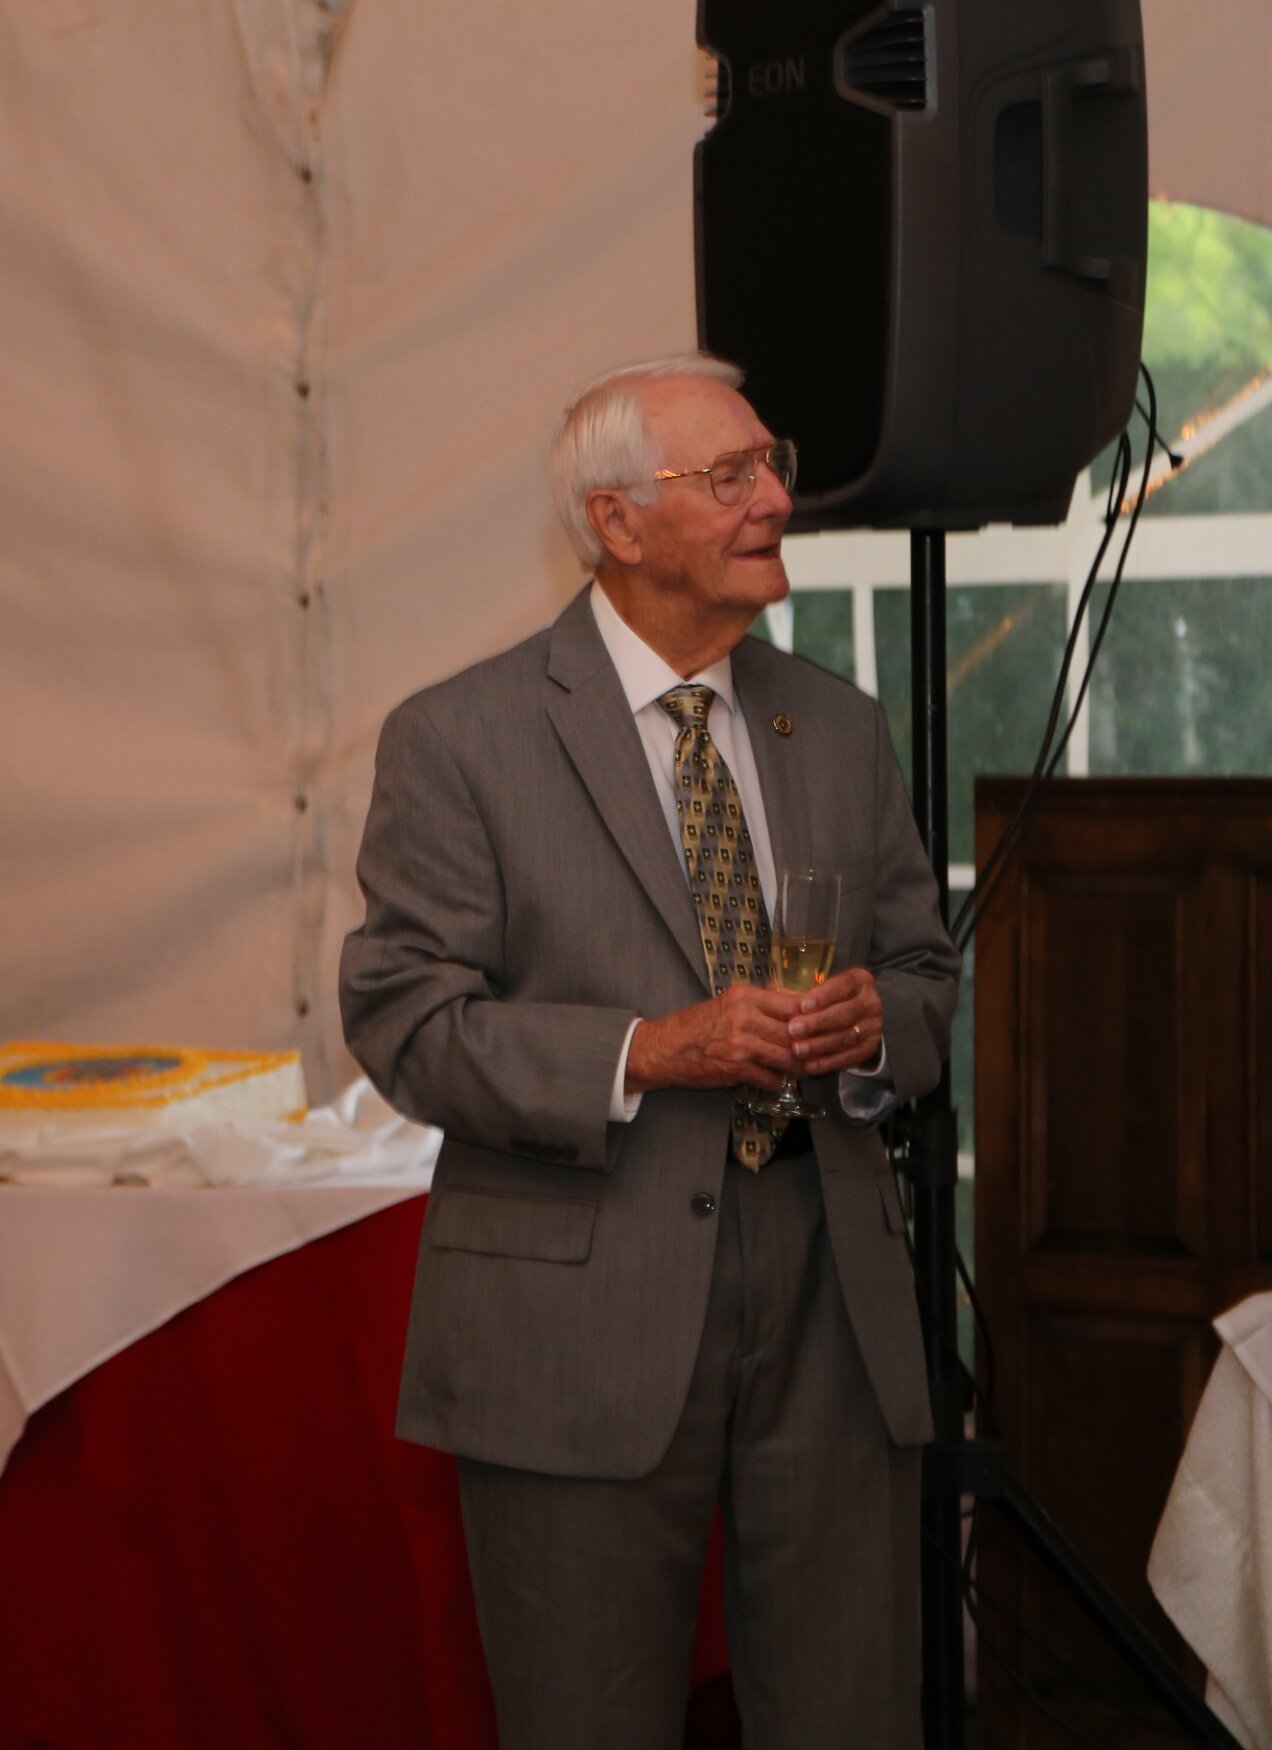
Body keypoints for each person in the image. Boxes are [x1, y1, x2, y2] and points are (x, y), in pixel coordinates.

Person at [340, 353, 957, 1748]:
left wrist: (876, 1029)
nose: (774, 498)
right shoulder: (460, 738)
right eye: (727, 475)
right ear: (614, 522)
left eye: (772, 464)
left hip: (832, 1302)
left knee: (855, 1715)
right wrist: (644, 1051)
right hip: (579, 1312)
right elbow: (405, 1020)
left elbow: (927, 976)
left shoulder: (838, 726)